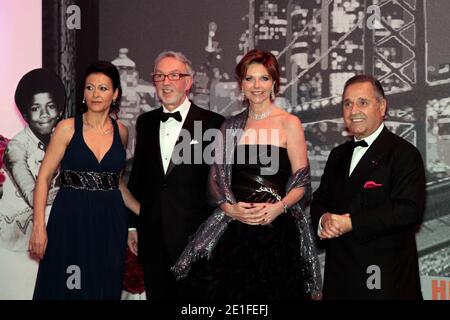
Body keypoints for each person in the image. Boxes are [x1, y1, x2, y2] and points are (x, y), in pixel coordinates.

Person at [172, 49, 322, 300]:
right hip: (234, 231)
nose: (256, 85)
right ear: (241, 84)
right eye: (249, 78)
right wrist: (232, 210)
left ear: (274, 82)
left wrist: (278, 208)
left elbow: (301, 182)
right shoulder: (229, 126)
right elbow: (215, 181)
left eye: (264, 78)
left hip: (277, 231)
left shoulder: (289, 123)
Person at [29, 61, 140, 299]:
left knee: (103, 288)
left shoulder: (122, 132)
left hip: (110, 222)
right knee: (68, 288)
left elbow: (116, 184)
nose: (95, 94)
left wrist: (145, 212)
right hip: (71, 218)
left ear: (115, 93)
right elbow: (44, 177)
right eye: (90, 88)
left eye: (102, 88)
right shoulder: (67, 128)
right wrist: (38, 226)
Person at [310, 74, 425, 300]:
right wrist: (324, 220)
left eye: (363, 102)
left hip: (385, 283)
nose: (354, 111)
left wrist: (351, 222)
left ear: (382, 107)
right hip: (339, 281)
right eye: (347, 104)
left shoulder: (404, 154)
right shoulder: (337, 155)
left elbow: (408, 210)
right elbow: (319, 200)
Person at [126, 51, 224, 300]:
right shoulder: (145, 122)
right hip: (153, 239)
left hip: (196, 241)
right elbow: (138, 176)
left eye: (173, 75)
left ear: (188, 82)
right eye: (159, 76)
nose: (166, 81)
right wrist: (132, 225)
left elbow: (222, 185)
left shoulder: (214, 123)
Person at [0, 69, 65, 251]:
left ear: (59, 110)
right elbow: (33, 196)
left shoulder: (62, 139)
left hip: (51, 226)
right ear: (26, 115)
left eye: (50, 106)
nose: (44, 114)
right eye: (36, 108)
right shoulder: (17, 148)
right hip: (18, 237)